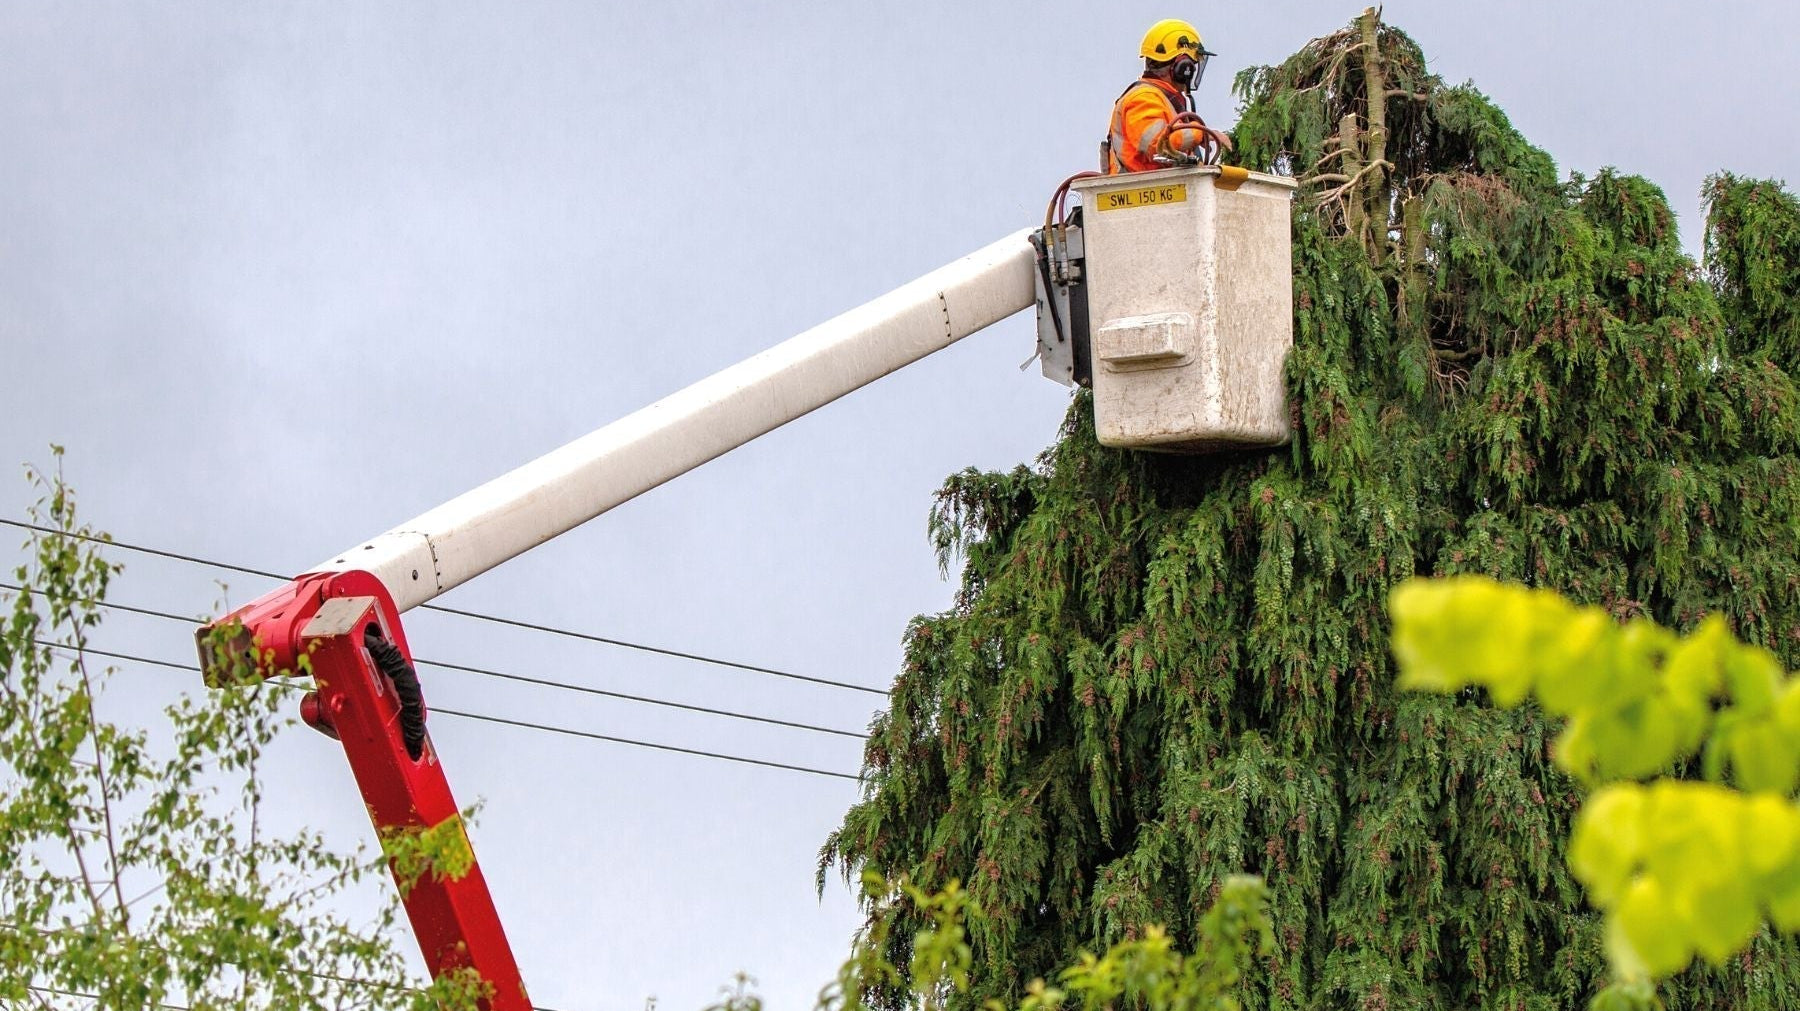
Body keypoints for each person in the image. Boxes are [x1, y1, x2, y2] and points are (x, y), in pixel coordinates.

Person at [1103, 19, 1233, 174]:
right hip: (1139, 191)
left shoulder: (1163, 98)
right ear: (1183, 67)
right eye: (1192, 64)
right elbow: (1157, 143)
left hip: (1159, 189)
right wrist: (1200, 134)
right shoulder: (1143, 98)